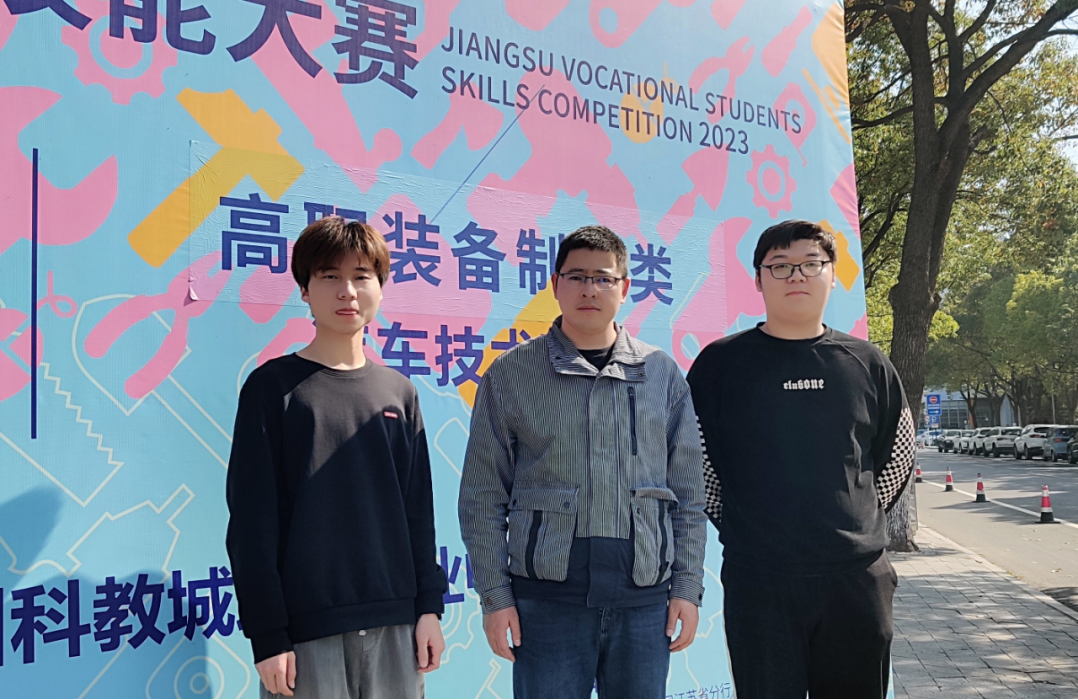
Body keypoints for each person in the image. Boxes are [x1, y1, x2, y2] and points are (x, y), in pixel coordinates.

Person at [458, 225, 708, 699]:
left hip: (644, 602)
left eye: (603, 278)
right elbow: (482, 497)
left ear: (624, 287)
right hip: (546, 604)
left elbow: (689, 495)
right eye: (576, 277)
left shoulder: (661, 374)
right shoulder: (512, 375)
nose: (590, 289)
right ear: (555, 285)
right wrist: (495, 597)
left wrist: (687, 588)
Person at [687, 220, 915, 699]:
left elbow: (897, 456)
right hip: (760, 577)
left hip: (856, 577)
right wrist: (746, 527)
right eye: (780, 265)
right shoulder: (719, 364)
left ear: (832, 275)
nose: (796, 276)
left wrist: (856, 520)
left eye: (812, 264)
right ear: (757, 279)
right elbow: (699, 461)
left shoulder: (868, 362)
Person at [225, 216, 447, 699]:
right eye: (330, 276)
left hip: (397, 626)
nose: (347, 291)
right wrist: (268, 635)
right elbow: (251, 525)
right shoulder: (273, 389)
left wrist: (429, 607)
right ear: (305, 290)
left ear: (380, 288)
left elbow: (418, 513)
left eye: (362, 276)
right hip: (306, 633)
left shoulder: (399, 392)